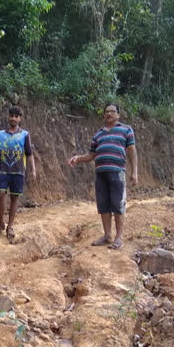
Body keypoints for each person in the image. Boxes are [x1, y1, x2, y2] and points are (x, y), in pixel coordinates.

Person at [67, 103, 138, 250]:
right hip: (101, 174)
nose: (109, 114)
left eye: (113, 112)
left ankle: (118, 237)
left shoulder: (126, 130)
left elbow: (132, 150)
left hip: (117, 172)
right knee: (104, 205)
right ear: (104, 115)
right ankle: (107, 236)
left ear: (118, 115)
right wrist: (78, 158)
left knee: (118, 204)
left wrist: (134, 172)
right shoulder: (98, 134)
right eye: (107, 112)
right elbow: (92, 154)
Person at [0, 106, 36, 241]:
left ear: (20, 119)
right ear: (8, 117)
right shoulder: (0, 134)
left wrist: (33, 170)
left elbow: (29, 154)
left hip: (18, 172)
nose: (13, 118)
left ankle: (10, 226)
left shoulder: (25, 135)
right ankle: (1, 223)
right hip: (3, 171)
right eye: (11, 116)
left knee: (14, 198)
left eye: (16, 116)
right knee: (0, 195)